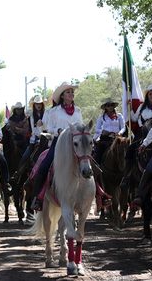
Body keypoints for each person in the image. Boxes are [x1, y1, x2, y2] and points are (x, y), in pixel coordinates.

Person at [30, 82, 111, 211]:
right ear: (62, 96)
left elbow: (80, 126)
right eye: (68, 92)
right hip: (59, 143)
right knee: (44, 165)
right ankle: (38, 198)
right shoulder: (54, 111)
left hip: (77, 143)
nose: (71, 94)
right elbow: (48, 128)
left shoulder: (78, 111)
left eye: (72, 92)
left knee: (94, 166)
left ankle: (101, 194)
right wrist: (59, 131)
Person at [121, 84, 152, 188]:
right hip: (142, 134)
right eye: (150, 94)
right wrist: (130, 108)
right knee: (131, 149)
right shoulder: (142, 106)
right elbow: (135, 118)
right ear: (147, 95)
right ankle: (127, 176)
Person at [16, 94, 46, 177]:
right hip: (34, 140)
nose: (38, 105)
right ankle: (18, 175)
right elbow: (29, 129)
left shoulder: (47, 114)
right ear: (34, 105)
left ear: (42, 105)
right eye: (36, 104)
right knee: (24, 157)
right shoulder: (31, 116)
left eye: (40, 104)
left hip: (46, 139)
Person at [93, 97, 125, 164]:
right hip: (105, 138)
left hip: (117, 138)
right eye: (108, 105)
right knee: (99, 150)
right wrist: (103, 132)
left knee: (125, 149)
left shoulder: (119, 116)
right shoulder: (101, 117)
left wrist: (120, 133)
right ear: (105, 107)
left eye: (111, 105)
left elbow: (123, 127)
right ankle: (97, 166)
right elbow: (97, 129)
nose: (110, 107)